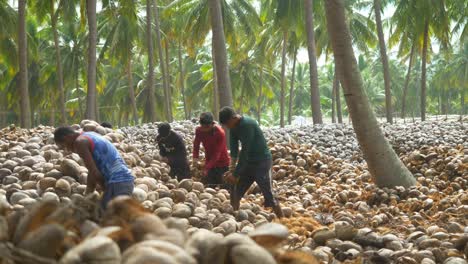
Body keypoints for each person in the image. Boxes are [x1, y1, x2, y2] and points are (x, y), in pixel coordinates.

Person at [219, 107, 283, 217]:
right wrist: (231, 169)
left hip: (262, 162)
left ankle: (283, 219)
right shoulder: (233, 127)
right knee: (236, 190)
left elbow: (245, 152)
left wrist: (236, 174)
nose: (227, 127)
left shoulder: (248, 125)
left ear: (234, 118)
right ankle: (234, 216)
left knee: (268, 193)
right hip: (248, 163)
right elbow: (234, 149)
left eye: (227, 124)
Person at [53, 126, 134, 208]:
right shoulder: (89, 134)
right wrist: (88, 193)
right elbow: (92, 172)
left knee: (107, 216)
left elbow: (95, 173)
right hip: (125, 181)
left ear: (67, 138)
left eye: (64, 146)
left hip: (117, 182)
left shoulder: (79, 142)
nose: (67, 149)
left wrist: (105, 189)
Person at [193, 112, 230, 188]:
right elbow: (196, 145)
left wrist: (206, 168)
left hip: (222, 163)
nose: (205, 129)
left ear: (212, 124)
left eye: (207, 127)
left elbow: (217, 154)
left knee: (224, 187)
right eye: (203, 127)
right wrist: (195, 158)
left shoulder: (220, 133)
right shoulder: (199, 131)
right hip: (209, 161)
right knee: (209, 185)